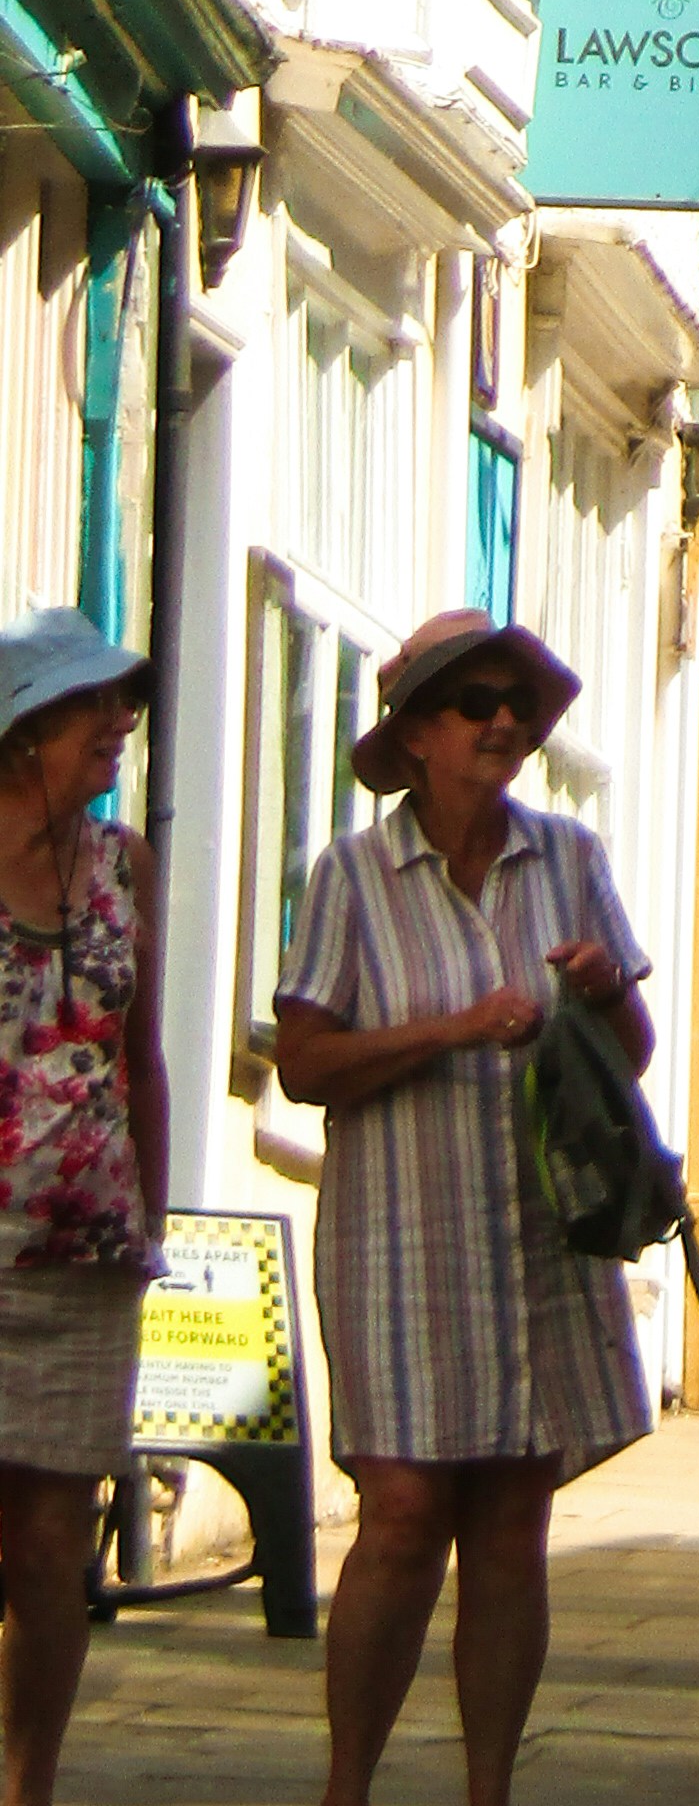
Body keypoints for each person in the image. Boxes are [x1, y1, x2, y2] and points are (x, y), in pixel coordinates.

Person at [270, 612, 657, 1806]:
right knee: (400, 1513)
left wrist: (597, 995)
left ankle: (489, 1789)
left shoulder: (571, 855)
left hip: (536, 1233)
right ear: (418, 734)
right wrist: (452, 1024)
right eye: (474, 701)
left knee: (508, 1522)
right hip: (401, 1236)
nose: (503, 722)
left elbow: (631, 1054)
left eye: (516, 706)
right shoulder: (351, 876)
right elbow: (303, 1063)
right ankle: (350, 1785)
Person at [0, 609, 165, 1806]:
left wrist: (155, 1213)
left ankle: (30, 1782)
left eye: (126, 703)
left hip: (84, 1255)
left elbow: (140, 1056)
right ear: (25, 731)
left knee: (54, 1543)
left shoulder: (123, 867)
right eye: (93, 704)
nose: (118, 724)